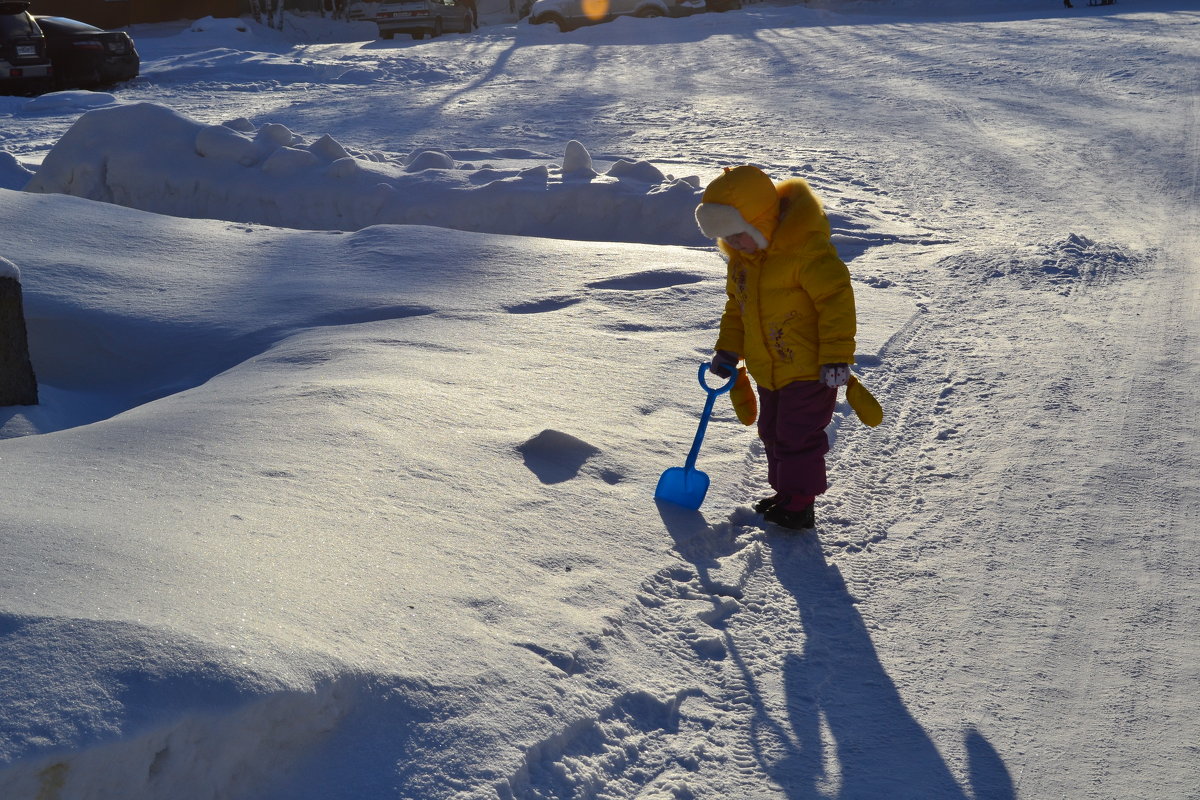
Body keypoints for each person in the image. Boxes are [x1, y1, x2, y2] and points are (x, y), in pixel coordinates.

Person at [694, 165, 857, 531]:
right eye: (726, 237)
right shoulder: (743, 264)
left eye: (739, 234)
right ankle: (786, 492)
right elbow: (737, 310)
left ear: (761, 222)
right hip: (768, 369)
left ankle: (800, 504)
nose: (733, 243)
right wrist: (727, 352)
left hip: (809, 368)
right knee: (771, 430)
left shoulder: (806, 253)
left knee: (797, 436)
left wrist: (836, 356)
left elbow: (836, 302)